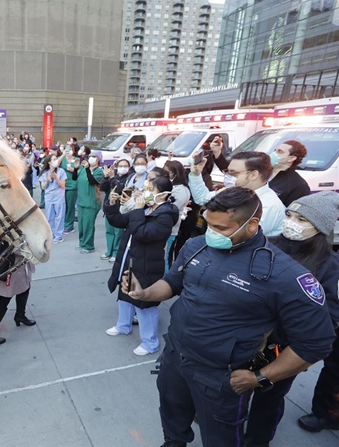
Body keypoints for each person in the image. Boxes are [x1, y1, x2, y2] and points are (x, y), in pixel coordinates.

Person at [121, 187, 336, 447]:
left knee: (220, 439)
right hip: (175, 358)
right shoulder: (197, 246)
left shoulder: (285, 275)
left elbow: (315, 342)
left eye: (221, 228)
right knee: (172, 418)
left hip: (220, 377)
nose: (211, 232)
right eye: (209, 224)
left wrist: (262, 377)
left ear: (252, 225)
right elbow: (172, 282)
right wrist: (145, 293)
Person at [245, 192, 339, 445]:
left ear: (321, 227)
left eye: (301, 219)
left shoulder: (330, 265)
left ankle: (257, 440)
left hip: (281, 348)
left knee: (268, 398)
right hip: (244, 337)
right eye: (289, 215)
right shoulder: (265, 243)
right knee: (237, 388)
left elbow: (328, 317)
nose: (290, 222)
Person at [104, 177, 178, 355]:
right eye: (146, 188)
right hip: (130, 259)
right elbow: (119, 221)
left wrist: (137, 209)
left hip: (147, 264)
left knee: (145, 303)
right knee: (125, 294)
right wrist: (111, 204)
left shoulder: (166, 215)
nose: (146, 193)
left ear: (164, 194)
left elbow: (143, 233)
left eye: (150, 189)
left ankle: (150, 342)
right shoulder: (145, 208)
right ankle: (123, 325)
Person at [189, 151, 285, 236]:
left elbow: (243, 237)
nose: (228, 177)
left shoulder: (269, 206)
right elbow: (202, 198)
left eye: (234, 174)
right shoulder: (233, 190)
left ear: (253, 175)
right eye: (227, 172)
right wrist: (195, 174)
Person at [211, 139, 311, 207]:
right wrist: (217, 153)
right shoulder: (263, 168)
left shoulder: (297, 185)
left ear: (291, 158)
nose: (274, 154)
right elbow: (232, 171)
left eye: (280, 152)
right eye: (275, 150)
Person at [0, 254, 37, 345]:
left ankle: (20, 316)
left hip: (17, 269)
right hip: (8, 270)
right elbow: (18, 249)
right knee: (4, 301)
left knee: (24, 290)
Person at [72, 151, 104, 253]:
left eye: (94, 156)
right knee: (81, 224)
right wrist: (76, 168)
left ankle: (89, 246)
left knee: (88, 225)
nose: (91, 158)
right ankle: (82, 243)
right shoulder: (83, 169)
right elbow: (74, 178)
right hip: (81, 201)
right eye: (90, 156)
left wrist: (87, 169)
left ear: (98, 159)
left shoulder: (99, 171)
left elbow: (91, 181)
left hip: (92, 202)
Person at [100, 159, 131, 262]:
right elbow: (103, 187)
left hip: (120, 210)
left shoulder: (128, 178)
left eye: (125, 166)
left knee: (118, 233)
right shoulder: (115, 177)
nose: (122, 168)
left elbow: (119, 189)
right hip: (110, 208)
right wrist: (105, 177)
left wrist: (112, 178)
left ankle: (116, 253)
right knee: (109, 231)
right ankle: (109, 251)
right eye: (120, 165)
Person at [162, 160, 191, 271]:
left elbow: (171, 209)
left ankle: (165, 281)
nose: (163, 174)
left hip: (170, 229)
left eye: (166, 172)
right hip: (163, 226)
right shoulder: (169, 185)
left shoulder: (181, 190)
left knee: (164, 257)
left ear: (174, 173)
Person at [38, 154, 67, 244]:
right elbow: (43, 187)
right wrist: (47, 180)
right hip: (49, 197)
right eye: (54, 159)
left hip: (59, 196)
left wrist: (56, 178)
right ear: (49, 162)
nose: (56, 161)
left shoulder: (61, 171)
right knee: (50, 217)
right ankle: (52, 235)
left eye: (56, 159)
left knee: (60, 217)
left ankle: (59, 236)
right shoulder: (45, 172)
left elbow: (62, 185)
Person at [59, 141, 80, 234]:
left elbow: (80, 172)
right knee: (63, 206)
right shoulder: (63, 159)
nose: (69, 151)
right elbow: (55, 164)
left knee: (70, 206)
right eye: (67, 149)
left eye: (70, 149)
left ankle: (69, 226)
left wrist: (73, 170)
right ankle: (63, 223)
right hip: (62, 185)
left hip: (72, 186)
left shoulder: (76, 159)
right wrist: (62, 155)